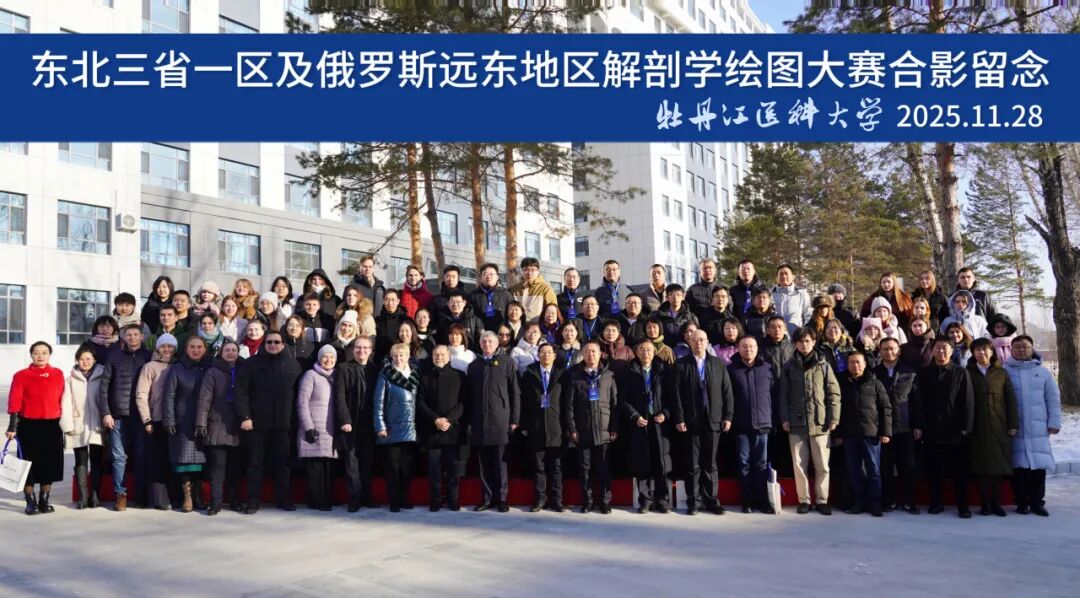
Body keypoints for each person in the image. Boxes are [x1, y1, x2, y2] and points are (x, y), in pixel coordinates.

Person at [235, 330, 303, 513]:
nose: (273, 345)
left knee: (283, 464)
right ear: (264, 344)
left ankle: (284, 498)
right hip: (257, 423)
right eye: (269, 342)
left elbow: (300, 395)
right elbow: (241, 392)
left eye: (276, 342)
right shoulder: (251, 364)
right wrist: (245, 416)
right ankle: (253, 500)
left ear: (283, 344)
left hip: (284, 424)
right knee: (255, 463)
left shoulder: (294, 365)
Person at [780, 328, 840, 515]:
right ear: (795, 344)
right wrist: (784, 418)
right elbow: (783, 395)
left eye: (807, 341)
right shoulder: (789, 366)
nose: (804, 344)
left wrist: (834, 418)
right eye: (800, 341)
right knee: (799, 465)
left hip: (820, 423)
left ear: (813, 342)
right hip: (796, 423)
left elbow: (833, 393)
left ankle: (822, 500)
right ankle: (804, 500)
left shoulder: (823, 365)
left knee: (822, 465)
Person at [674, 330, 734, 515]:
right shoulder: (681, 364)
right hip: (691, 420)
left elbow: (727, 391)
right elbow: (676, 394)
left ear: (707, 342)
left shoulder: (718, 364)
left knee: (710, 463)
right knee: (693, 464)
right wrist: (679, 418)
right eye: (694, 340)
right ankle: (693, 501)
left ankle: (711, 500)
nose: (698, 343)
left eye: (701, 340)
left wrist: (728, 416)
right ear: (689, 342)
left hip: (713, 419)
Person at [916, 339, 975, 518]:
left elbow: (968, 401)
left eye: (945, 348)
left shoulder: (960, 372)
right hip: (932, 429)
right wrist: (919, 424)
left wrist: (966, 427)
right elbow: (919, 401)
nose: (941, 351)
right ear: (932, 351)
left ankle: (962, 505)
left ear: (951, 351)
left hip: (955, 430)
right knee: (934, 470)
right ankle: (936, 503)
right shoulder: (924, 372)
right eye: (937, 348)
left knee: (959, 472)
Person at [6, 341, 66, 515]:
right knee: (28, 465)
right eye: (36, 352)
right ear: (31, 354)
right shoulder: (21, 375)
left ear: (50, 355)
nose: (40, 356)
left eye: (44, 352)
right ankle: (30, 502)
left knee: (50, 464)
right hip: (28, 426)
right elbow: (14, 401)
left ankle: (44, 501)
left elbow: (64, 399)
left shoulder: (57, 374)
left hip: (52, 425)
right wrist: (12, 426)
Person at [1004, 335, 1061, 516]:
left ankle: (1037, 502)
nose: (1021, 350)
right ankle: (1021, 502)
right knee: (1018, 467)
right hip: (1015, 426)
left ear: (1032, 349)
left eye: (1025, 347)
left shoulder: (1043, 372)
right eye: (1017, 347)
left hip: (1038, 427)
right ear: (1011, 349)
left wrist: (1054, 422)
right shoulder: (1004, 371)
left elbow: (1052, 399)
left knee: (1038, 466)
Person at [99, 324, 152, 510]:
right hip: (118, 416)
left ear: (142, 337)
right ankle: (120, 495)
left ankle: (140, 495)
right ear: (123, 337)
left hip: (141, 416)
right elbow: (104, 386)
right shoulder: (114, 357)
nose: (132, 337)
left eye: (136, 334)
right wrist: (106, 412)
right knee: (118, 457)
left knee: (141, 456)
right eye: (128, 334)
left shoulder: (149, 357)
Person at [467, 331, 521, 512]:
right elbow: (468, 396)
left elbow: (515, 392)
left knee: (500, 462)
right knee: (483, 463)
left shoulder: (507, 362)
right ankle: (486, 498)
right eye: (484, 342)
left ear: (497, 343)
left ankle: (502, 498)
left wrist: (514, 419)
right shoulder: (474, 366)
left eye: (490, 341)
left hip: (500, 420)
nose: (487, 344)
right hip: (479, 420)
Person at [617, 340, 672, 513]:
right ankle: (645, 500)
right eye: (642, 349)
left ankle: (662, 499)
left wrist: (665, 413)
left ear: (654, 353)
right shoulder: (629, 371)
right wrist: (634, 416)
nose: (645, 353)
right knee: (642, 462)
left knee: (661, 462)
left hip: (659, 422)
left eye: (649, 350)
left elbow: (673, 397)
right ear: (636, 352)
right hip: (640, 422)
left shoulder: (663, 370)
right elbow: (622, 399)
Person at [564, 341, 618, 514]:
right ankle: (587, 501)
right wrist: (572, 429)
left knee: (604, 469)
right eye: (587, 352)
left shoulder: (608, 375)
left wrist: (614, 427)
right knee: (585, 469)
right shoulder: (575, 376)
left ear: (600, 354)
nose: (591, 355)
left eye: (594, 351)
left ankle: (605, 501)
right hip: (583, 431)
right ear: (583, 355)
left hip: (604, 431)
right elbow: (569, 406)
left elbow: (615, 404)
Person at [967, 338, 1018, 517]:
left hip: (999, 426)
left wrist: (1013, 424)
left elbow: (1010, 399)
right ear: (973, 353)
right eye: (977, 350)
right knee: (980, 467)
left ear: (991, 352)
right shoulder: (967, 372)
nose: (981, 353)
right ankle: (985, 504)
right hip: (976, 427)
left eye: (985, 349)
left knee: (998, 467)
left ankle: (996, 503)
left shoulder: (1001, 373)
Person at [162, 335, 212, 513]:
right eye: (192, 347)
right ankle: (187, 497)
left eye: (199, 347)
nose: (196, 350)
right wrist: (169, 419)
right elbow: (168, 396)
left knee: (201, 460)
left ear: (205, 349)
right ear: (186, 349)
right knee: (184, 460)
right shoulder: (177, 368)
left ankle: (198, 496)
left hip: (204, 420)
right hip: (182, 420)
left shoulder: (209, 367)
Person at [838, 351, 892, 517]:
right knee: (854, 470)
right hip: (850, 434)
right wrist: (838, 433)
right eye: (852, 362)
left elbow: (885, 408)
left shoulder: (875, 383)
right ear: (847, 365)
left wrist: (886, 432)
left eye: (858, 362)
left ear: (865, 364)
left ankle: (875, 503)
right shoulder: (842, 382)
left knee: (873, 470)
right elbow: (837, 410)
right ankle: (859, 501)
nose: (856, 365)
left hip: (872, 433)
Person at [727, 335, 776, 514]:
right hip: (741, 425)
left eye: (751, 347)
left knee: (761, 464)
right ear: (738, 349)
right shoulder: (731, 370)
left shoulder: (767, 368)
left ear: (757, 349)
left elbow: (774, 394)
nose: (748, 350)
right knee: (744, 463)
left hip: (763, 424)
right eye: (744, 347)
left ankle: (762, 501)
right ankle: (747, 500)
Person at [196, 339, 244, 515]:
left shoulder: (244, 369)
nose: (230, 353)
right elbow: (204, 399)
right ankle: (215, 502)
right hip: (217, 423)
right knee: (217, 468)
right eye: (227, 350)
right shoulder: (212, 372)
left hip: (237, 425)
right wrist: (201, 422)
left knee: (234, 469)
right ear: (221, 353)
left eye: (233, 350)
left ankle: (234, 500)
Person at [874, 337, 921, 514]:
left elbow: (917, 401)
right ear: (880, 351)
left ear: (899, 351)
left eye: (892, 348)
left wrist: (918, 425)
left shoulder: (910, 372)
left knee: (907, 466)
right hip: (882, 427)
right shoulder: (874, 373)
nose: (889, 352)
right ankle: (889, 501)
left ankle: (909, 501)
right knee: (886, 466)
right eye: (885, 349)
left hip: (905, 426)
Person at [417, 345, 467, 512]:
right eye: (436, 355)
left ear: (449, 357)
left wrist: (448, 420)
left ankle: (453, 499)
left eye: (442, 354)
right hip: (432, 431)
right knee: (434, 470)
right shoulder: (424, 376)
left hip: (452, 430)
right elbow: (420, 402)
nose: (439, 357)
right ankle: (435, 500)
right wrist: (435, 419)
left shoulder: (459, 376)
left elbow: (463, 403)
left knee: (453, 470)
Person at [520, 343, 567, 512]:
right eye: (542, 352)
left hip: (557, 427)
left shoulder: (562, 374)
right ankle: (540, 499)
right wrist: (524, 424)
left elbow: (567, 402)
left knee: (556, 467)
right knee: (538, 467)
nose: (546, 355)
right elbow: (523, 401)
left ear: (554, 355)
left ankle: (557, 500)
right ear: (538, 355)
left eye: (549, 352)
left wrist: (568, 427)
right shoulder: (529, 374)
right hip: (536, 426)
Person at [334, 337, 380, 511]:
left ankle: (367, 497)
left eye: (365, 348)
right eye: (358, 347)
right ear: (353, 350)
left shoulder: (376, 369)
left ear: (371, 350)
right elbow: (339, 396)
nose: (362, 351)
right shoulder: (343, 368)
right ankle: (354, 498)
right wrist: (344, 420)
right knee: (351, 463)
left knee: (368, 462)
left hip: (370, 422)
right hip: (351, 422)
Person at [60, 344, 107, 509]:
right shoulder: (70, 379)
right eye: (81, 359)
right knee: (80, 461)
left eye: (88, 359)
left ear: (94, 360)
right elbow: (65, 402)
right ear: (76, 360)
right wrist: (67, 424)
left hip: (96, 425)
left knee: (96, 461)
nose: (85, 362)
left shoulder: (103, 375)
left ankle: (95, 496)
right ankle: (83, 497)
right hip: (78, 423)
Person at [135, 333, 178, 510]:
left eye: (170, 346)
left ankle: (176, 497)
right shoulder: (150, 367)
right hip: (156, 418)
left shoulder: (178, 365)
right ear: (158, 348)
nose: (167, 349)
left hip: (176, 420)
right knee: (158, 460)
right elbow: (141, 394)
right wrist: (146, 419)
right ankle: (160, 498)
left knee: (173, 459)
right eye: (163, 346)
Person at [374, 343, 419, 512]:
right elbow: (378, 402)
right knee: (392, 468)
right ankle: (394, 501)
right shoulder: (385, 374)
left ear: (408, 356)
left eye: (402, 355)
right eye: (396, 356)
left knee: (406, 468)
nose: (399, 359)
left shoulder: (415, 375)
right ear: (391, 357)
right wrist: (380, 425)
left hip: (411, 429)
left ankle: (404, 499)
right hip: (391, 428)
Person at [297, 345, 339, 512]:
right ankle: (316, 500)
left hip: (331, 429)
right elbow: (302, 402)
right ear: (319, 358)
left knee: (327, 465)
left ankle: (327, 497)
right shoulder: (310, 375)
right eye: (325, 357)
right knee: (315, 466)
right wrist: (308, 426)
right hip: (314, 426)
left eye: (332, 357)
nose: (328, 360)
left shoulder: (336, 377)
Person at [510, 257, 558, 321]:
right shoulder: (513, 290)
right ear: (521, 271)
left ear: (538, 271)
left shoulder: (546, 289)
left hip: (537, 326)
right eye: (526, 269)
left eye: (533, 270)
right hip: (517, 326)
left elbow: (552, 311)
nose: (529, 273)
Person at [470, 263, 513, 331]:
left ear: (497, 277)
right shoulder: (474, 295)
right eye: (485, 274)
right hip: (480, 332)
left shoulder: (506, 295)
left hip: (500, 333)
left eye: (491, 274)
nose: (488, 277)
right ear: (481, 277)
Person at [771, 264, 813, 333]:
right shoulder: (770, 294)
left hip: (796, 334)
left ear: (792, 277)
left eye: (786, 274)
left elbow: (808, 314)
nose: (784, 276)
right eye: (781, 274)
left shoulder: (801, 294)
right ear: (777, 278)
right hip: (776, 334)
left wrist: (805, 331)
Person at [375, 290, 411, 359]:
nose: (390, 303)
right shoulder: (377, 320)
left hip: (400, 358)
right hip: (381, 359)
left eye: (393, 300)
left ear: (398, 301)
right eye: (387, 300)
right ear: (383, 301)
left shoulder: (406, 320)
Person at [686, 258, 722, 322]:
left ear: (715, 270)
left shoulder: (722, 289)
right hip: (699, 325)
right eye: (704, 268)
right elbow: (688, 312)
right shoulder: (692, 290)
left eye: (710, 267)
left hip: (720, 325)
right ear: (700, 272)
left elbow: (729, 310)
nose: (707, 270)